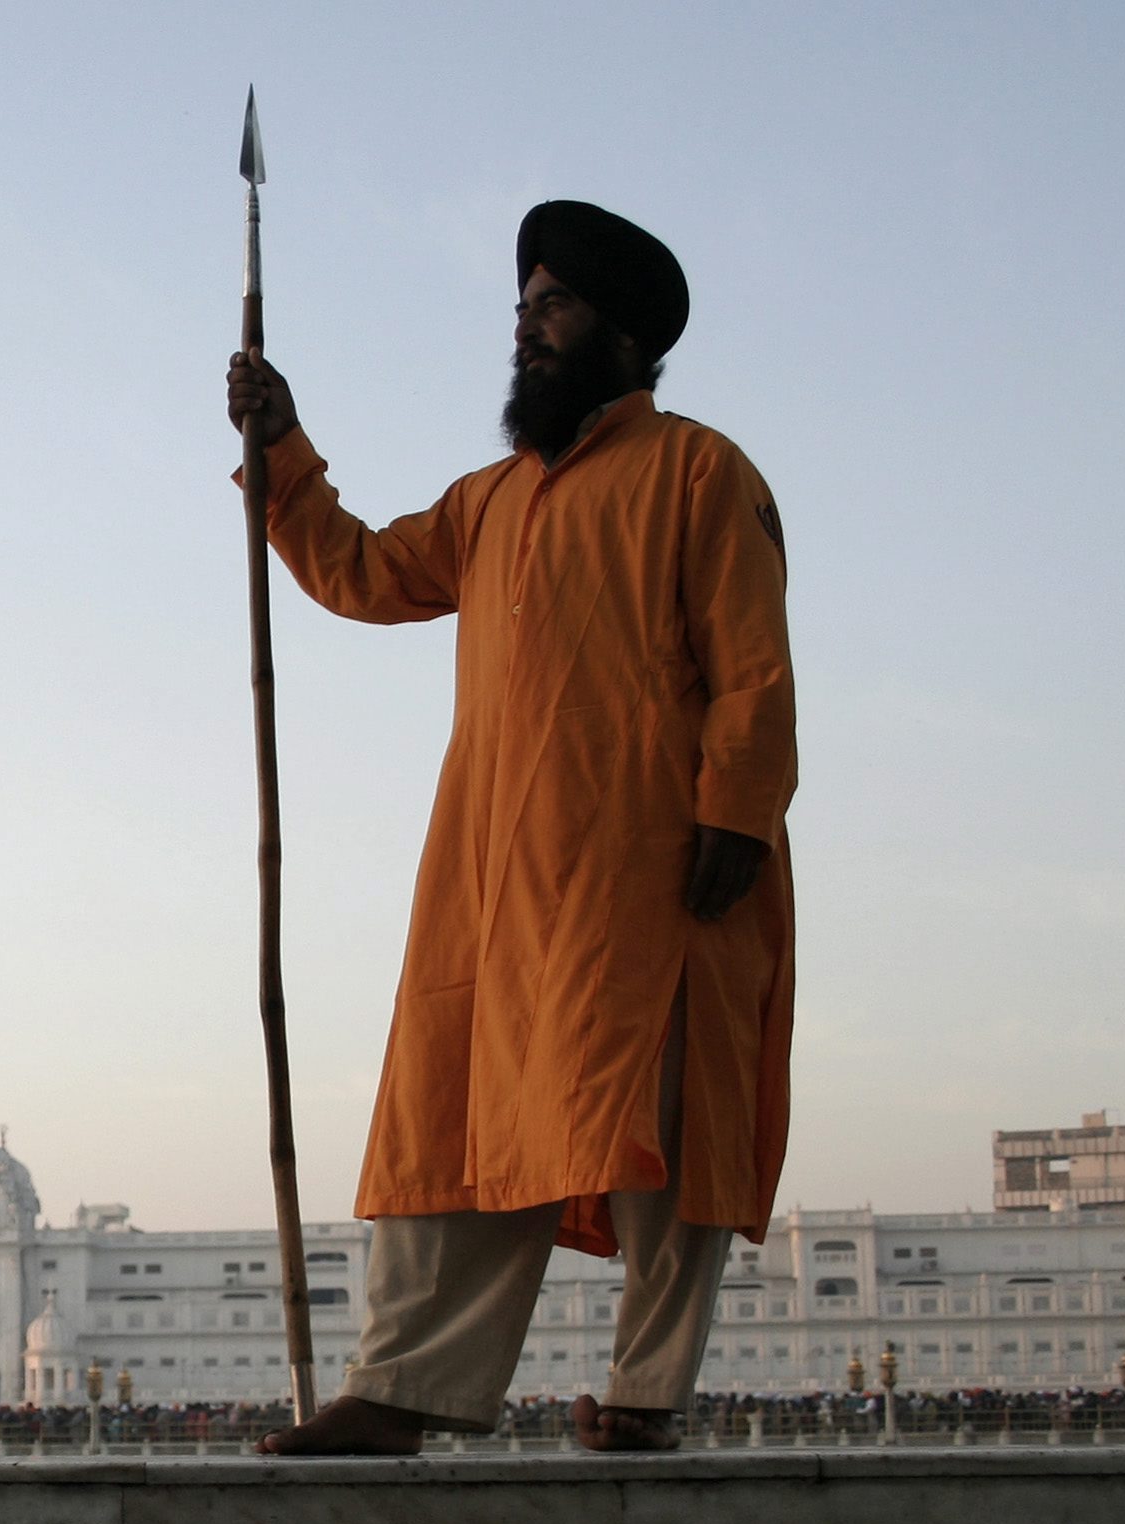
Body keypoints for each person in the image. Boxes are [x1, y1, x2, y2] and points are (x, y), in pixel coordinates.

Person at [231, 201, 796, 1456]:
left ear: (623, 331)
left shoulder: (701, 473)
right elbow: (361, 572)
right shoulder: (487, 504)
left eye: (551, 308)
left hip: (651, 862)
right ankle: (401, 1387)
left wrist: (738, 814)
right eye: (522, 312)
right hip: (493, 876)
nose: (527, 333)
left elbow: (752, 670)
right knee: (456, 1117)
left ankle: (646, 1394)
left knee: (659, 1121)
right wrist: (281, 449)